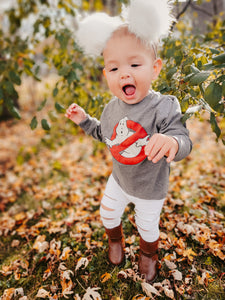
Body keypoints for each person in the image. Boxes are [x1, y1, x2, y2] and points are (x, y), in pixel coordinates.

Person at [65, 0, 192, 283]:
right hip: (120, 180)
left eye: (135, 64)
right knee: (107, 214)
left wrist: (172, 142)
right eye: (114, 68)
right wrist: (85, 120)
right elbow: (105, 135)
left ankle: (148, 255)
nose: (125, 73)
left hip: (149, 188)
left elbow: (183, 138)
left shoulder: (163, 106)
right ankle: (115, 240)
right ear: (106, 75)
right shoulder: (111, 109)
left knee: (147, 227)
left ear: (155, 68)